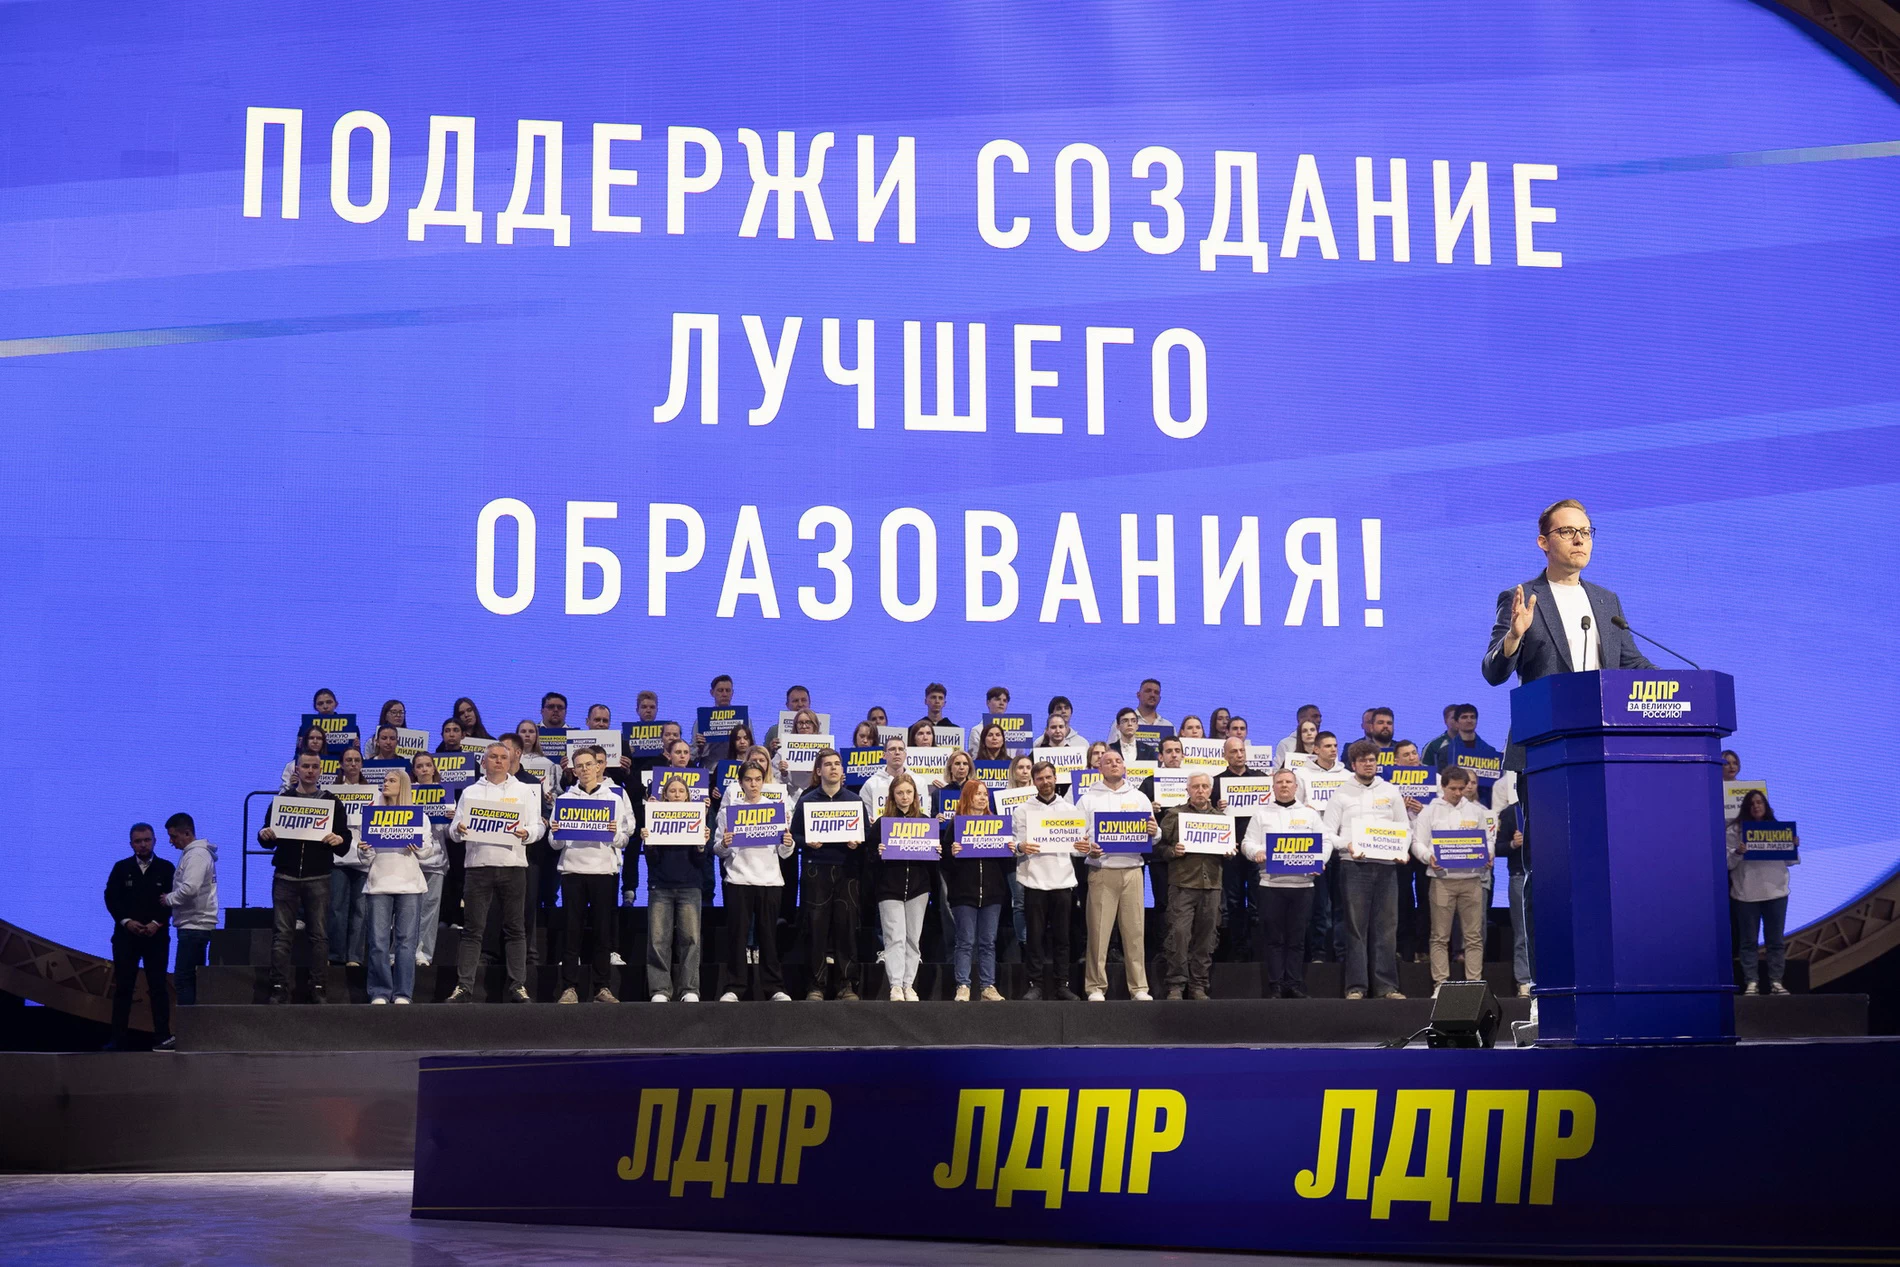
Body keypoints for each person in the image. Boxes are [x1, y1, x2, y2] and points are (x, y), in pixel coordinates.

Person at [1481, 497, 1654, 1001]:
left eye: (1586, 531)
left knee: (1609, 865)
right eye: (1567, 531)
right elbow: (1493, 671)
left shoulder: (1606, 601)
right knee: (1551, 869)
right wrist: (1514, 638)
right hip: (1547, 755)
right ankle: (1547, 984)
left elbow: (1631, 664)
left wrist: (1682, 688)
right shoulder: (1521, 597)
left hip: (1605, 755)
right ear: (1544, 541)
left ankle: (1610, 974)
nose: (1580, 539)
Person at [446, 742, 541, 1003]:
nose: (499, 761)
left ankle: (518, 986)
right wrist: (459, 829)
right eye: (493, 757)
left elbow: (538, 827)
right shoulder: (470, 792)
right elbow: (453, 831)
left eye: (503, 757)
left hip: (513, 867)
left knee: (515, 929)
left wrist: (527, 833)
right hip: (478, 868)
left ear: (510, 762)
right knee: (472, 930)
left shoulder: (523, 791)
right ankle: (464, 987)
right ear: (483, 762)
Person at [258, 751, 351, 1003]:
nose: (310, 770)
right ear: (296, 770)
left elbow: (344, 840)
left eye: (314, 767)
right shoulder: (282, 801)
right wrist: (263, 835)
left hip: (318, 876)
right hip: (285, 876)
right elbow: (267, 835)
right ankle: (278, 988)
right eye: (306, 766)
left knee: (319, 936)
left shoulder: (332, 802)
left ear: (320, 771)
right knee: (281, 936)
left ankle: (318, 988)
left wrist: (339, 839)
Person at [1324, 739, 1410, 1000]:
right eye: (1363, 761)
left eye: (1372, 760)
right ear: (1353, 764)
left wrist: (1402, 849)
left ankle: (1387, 987)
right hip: (1354, 866)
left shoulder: (1391, 791)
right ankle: (1356, 987)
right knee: (1356, 929)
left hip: (1386, 867)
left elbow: (1405, 828)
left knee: (1386, 928)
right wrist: (1347, 845)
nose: (1368, 764)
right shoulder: (1341, 794)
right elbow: (1328, 833)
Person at [552, 745, 635, 1003]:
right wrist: (556, 832)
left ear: (599, 766)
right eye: (580, 766)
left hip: (603, 871)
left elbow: (624, 839)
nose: (585, 769)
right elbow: (555, 844)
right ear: (574, 770)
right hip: (572, 871)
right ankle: (569, 988)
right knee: (572, 932)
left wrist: (613, 834)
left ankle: (602, 988)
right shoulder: (565, 799)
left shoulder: (614, 798)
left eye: (589, 764)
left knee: (602, 933)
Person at [1076, 748, 1156, 1002]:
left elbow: (1154, 835)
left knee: (1135, 933)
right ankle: (1095, 987)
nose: (1114, 764)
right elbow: (1076, 839)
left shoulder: (1140, 797)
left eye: (1118, 761)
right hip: (1101, 871)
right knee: (1098, 933)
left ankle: (1139, 987)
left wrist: (1155, 831)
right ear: (1099, 768)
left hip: (1133, 870)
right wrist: (1088, 848)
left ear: (1124, 767)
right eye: (1108, 761)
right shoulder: (1087, 800)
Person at [1409, 767, 1496, 995]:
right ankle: (1440, 984)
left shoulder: (1476, 811)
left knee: (1474, 936)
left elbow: (1488, 839)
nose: (1458, 793)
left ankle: (1474, 984)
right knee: (1440, 935)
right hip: (1442, 880)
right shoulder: (1430, 811)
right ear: (1443, 787)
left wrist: (1489, 853)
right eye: (1453, 789)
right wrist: (1428, 857)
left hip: (1472, 879)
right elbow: (1417, 842)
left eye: (1461, 788)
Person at [1245, 769, 1330, 998]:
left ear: (1296, 787)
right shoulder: (1261, 814)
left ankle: (1293, 983)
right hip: (1270, 886)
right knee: (1274, 939)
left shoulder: (1310, 815)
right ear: (1273, 787)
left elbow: (1325, 842)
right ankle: (1276, 985)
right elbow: (1247, 842)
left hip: (1303, 886)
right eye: (1280, 782)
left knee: (1297, 939)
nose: (1284, 785)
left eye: (1288, 782)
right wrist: (1256, 852)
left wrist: (1320, 860)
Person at [714, 762, 794, 1002]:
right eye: (748, 780)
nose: (753, 784)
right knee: (737, 937)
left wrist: (788, 843)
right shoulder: (729, 812)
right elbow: (718, 849)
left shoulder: (776, 810)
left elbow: (784, 852)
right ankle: (735, 987)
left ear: (763, 781)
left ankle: (774, 988)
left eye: (758, 779)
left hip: (770, 881)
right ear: (740, 783)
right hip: (739, 879)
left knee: (768, 938)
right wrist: (725, 843)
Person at [790, 748, 863, 1002]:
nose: (833, 768)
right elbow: (794, 836)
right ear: (819, 771)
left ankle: (847, 985)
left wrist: (858, 842)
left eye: (837, 764)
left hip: (847, 871)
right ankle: (816, 986)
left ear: (842, 770)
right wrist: (806, 842)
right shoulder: (807, 800)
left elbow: (865, 836)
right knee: (815, 929)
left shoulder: (854, 800)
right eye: (828, 764)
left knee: (847, 929)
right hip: (816, 870)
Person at [361, 768, 435, 1004]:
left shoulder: (419, 817)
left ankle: (403, 993)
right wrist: (364, 849)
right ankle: (380, 991)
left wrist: (418, 847)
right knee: (378, 942)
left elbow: (426, 852)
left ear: (402, 785)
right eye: (384, 780)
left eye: (391, 780)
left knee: (406, 943)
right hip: (379, 883)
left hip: (409, 885)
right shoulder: (372, 814)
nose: (385, 783)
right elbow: (365, 857)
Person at [1013, 760, 1080, 1001]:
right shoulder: (1022, 810)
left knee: (1063, 938)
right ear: (1034, 781)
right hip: (1034, 881)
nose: (1045, 782)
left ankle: (1062, 984)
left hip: (1063, 881)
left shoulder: (1070, 810)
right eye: (1040, 778)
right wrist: (1020, 847)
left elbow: (1077, 849)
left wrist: (1083, 848)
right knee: (1035, 938)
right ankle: (1036, 985)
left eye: (1048, 777)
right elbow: (1015, 845)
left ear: (1055, 778)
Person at [105, 823, 175, 1049]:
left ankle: (163, 1037)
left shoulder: (166, 868)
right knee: (123, 988)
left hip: (157, 937)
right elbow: (111, 898)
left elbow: (174, 899)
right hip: (126, 938)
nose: (143, 845)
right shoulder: (121, 867)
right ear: (131, 844)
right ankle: (118, 1039)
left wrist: (156, 923)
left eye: (147, 840)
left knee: (158, 987)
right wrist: (127, 921)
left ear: (154, 841)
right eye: (138, 841)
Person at [641, 773, 710, 1002]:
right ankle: (660, 990)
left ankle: (689, 989)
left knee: (691, 940)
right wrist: (649, 843)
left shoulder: (697, 819)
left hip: (690, 886)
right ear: (665, 796)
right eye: (672, 791)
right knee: (658, 940)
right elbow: (651, 861)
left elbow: (701, 862)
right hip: (660, 885)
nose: (677, 794)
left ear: (688, 796)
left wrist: (701, 845)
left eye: (681, 791)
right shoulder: (655, 818)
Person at [1155, 772, 1224, 1000]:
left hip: (1212, 884)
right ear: (1188, 790)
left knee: (1206, 937)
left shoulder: (1221, 819)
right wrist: (1172, 851)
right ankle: (1176, 984)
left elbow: (1227, 850)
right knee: (1179, 934)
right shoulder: (1174, 815)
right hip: (1182, 884)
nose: (1200, 790)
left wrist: (1229, 851)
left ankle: (1198, 984)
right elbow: (1158, 847)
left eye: (1204, 786)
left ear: (1210, 790)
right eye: (1196, 786)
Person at [943, 779, 1009, 1001]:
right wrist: (952, 853)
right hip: (964, 894)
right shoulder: (956, 824)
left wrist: (1009, 850)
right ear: (967, 796)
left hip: (992, 893)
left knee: (988, 942)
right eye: (978, 794)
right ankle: (963, 985)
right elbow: (944, 862)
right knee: (965, 941)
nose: (983, 798)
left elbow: (1004, 864)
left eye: (985, 794)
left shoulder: (997, 824)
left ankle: (987, 986)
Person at [873, 773, 937, 1000]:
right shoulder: (882, 824)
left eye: (909, 792)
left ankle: (908, 984)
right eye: (900, 792)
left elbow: (932, 863)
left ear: (915, 795)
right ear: (892, 796)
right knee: (895, 938)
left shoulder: (925, 822)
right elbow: (868, 858)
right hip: (889, 889)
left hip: (918, 889)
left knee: (913, 939)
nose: (904, 797)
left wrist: (936, 852)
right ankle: (895, 985)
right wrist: (878, 853)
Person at [1728, 789, 1796, 995]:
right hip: (1746, 894)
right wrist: (1738, 852)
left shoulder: (1778, 829)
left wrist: (1793, 846)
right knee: (1748, 942)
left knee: (1775, 941)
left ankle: (1776, 982)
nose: (1756, 806)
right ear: (1746, 807)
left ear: (1765, 806)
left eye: (1759, 802)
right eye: (1752, 803)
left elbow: (1790, 861)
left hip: (1776, 893)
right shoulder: (1734, 831)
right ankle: (1751, 982)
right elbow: (1727, 864)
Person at [1300, 731, 1350, 965]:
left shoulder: (1347, 777)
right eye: (1328, 746)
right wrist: (1305, 809)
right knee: (1319, 905)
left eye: (1335, 745)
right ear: (1316, 749)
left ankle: (1341, 954)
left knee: (1342, 905)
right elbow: (1293, 806)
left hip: (1342, 846)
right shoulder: (1301, 775)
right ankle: (1318, 953)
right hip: (1315, 845)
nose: (1333, 749)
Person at [159, 813, 217, 1008]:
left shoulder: (196, 855)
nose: (171, 841)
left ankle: (189, 1025)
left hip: (194, 926)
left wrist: (168, 899)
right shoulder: (195, 854)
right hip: (195, 925)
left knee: (183, 979)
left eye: (173, 836)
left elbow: (190, 888)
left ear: (187, 833)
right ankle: (193, 1023)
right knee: (191, 979)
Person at [1211, 735, 1260, 962]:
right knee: (1233, 901)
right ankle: (1238, 951)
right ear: (1225, 755)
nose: (1239, 755)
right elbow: (1207, 817)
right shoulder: (1217, 783)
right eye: (1233, 751)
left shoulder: (1260, 779)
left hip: (1257, 850)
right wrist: (1216, 808)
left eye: (1241, 750)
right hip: (1230, 850)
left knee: (1258, 901)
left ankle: (1257, 951)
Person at [327, 746, 376, 967]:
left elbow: (378, 824)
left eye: (357, 760)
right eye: (349, 760)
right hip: (338, 858)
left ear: (362, 764)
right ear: (341, 764)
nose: (353, 764)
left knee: (360, 910)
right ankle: (335, 955)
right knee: (336, 908)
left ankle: (355, 957)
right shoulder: (330, 794)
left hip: (363, 857)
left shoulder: (374, 793)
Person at [408, 751, 451, 968]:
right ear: (414, 771)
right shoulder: (406, 793)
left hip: (435, 859)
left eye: (427, 765)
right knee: (406, 910)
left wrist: (452, 819)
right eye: (419, 766)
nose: (424, 769)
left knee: (430, 910)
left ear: (434, 768)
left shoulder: (445, 793)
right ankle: (400, 952)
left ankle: (423, 953)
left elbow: (450, 834)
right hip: (409, 859)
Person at [281, 724, 330, 790]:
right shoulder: (292, 765)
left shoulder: (335, 765)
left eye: (319, 738)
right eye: (311, 738)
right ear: (306, 741)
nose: (315, 741)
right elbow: (282, 794)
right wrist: (291, 785)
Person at [1420, 705, 1462, 770]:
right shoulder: (1433, 746)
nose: (1458, 721)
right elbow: (1425, 772)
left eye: (1461, 717)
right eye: (1454, 718)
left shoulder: (1476, 745)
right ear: (1445, 721)